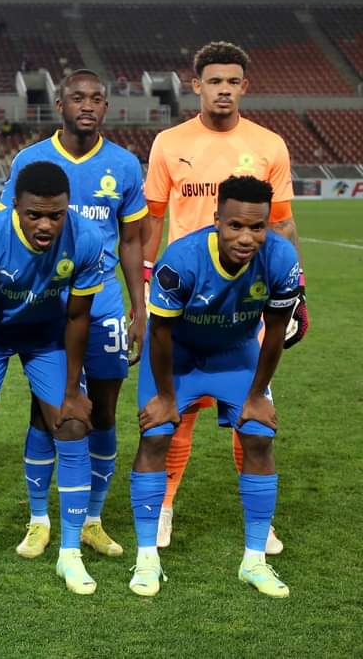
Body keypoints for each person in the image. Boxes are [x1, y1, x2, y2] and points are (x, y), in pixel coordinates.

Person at [143, 41, 308, 553]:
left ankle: (261, 521)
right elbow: (152, 218)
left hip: (248, 300)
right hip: (184, 298)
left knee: (252, 409)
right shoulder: (169, 143)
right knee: (176, 412)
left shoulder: (269, 145)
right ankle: (164, 506)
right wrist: (147, 282)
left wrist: (297, 291)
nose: (223, 90)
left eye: (232, 81)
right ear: (197, 85)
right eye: (214, 81)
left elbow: (280, 223)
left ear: (244, 86)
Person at [0, 70, 146, 560]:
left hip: (101, 306)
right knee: (47, 412)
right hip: (45, 308)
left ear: (107, 107)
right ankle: (39, 519)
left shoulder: (123, 166)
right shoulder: (30, 160)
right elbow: (7, 232)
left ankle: (92, 520)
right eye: (77, 97)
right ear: (59, 103)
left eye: (97, 98)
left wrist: (139, 307)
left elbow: (130, 240)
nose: (87, 105)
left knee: (101, 412)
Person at [0, 161, 104, 596]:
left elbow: (78, 316)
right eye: (35, 215)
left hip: (47, 336)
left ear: (68, 208)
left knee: (71, 424)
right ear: (16, 206)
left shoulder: (86, 238)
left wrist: (71, 391)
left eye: (56, 214)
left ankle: (70, 554)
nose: (45, 224)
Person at [130, 175, 300, 598]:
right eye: (235, 225)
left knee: (259, 438)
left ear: (267, 225)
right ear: (216, 219)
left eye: (257, 227)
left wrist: (258, 394)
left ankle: (254, 561)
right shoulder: (180, 260)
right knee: (155, 436)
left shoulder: (281, 258)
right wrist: (167, 397)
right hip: (179, 355)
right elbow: (162, 334)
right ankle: (147, 558)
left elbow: (275, 331)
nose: (246, 237)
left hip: (235, 354)